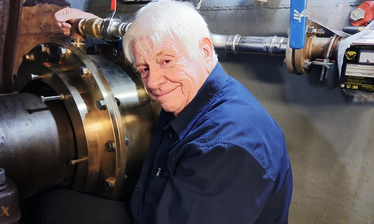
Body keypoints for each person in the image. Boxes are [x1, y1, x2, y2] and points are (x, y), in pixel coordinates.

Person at [53, 1, 293, 223]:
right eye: (144, 68)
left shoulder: (226, 150)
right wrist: (90, 23)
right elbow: (147, 52)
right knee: (56, 205)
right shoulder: (198, 90)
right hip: (150, 208)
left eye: (166, 61)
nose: (154, 83)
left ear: (205, 51)